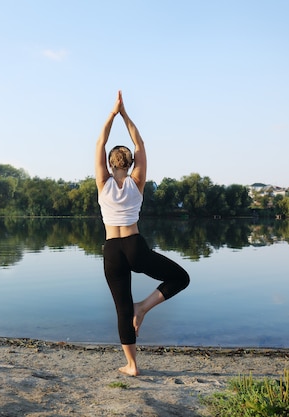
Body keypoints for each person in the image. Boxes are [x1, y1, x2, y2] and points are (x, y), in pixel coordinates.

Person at [95, 91, 190, 376]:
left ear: (111, 165)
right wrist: (126, 115)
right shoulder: (138, 181)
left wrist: (112, 114)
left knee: (122, 309)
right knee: (180, 277)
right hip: (136, 247)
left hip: (112, 250)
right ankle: (145, 307)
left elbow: (100, 142)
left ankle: (132, 366)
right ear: (131, 164)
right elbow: (140, 143)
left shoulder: (103, 182)